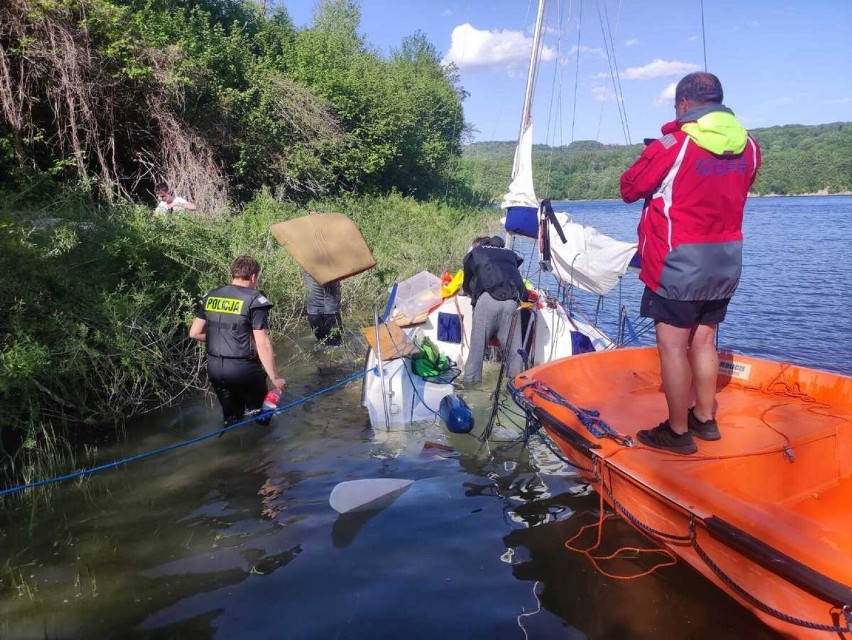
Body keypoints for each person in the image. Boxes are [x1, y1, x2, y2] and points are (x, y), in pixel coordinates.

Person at [620, 72, 761, 454]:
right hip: (726, 259)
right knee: (705, 339)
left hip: (678, 260)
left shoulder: (673, 145)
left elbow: (629, 188)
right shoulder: (750, 146)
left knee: (672, 345)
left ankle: (678, 432)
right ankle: (705, 419)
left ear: (684, 105)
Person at [189, 255, 286, 425]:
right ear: (254, 276)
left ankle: (232, 446)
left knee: (233, 419)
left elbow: (194, 333)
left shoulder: (212, 296)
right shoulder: (255, 300)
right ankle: (265, 449)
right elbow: (262, 343)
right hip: (244, 370)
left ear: (233, 274)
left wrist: (227, 340)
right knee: (261, 419)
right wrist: (275, 378)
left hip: (215, 369)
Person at [461, 235, 527, 384]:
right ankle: (517, 388)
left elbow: (467, 284)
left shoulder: (477, 253)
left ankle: (470, 388)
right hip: (512, 303)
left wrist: (471, 295)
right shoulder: (509, 254)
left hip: (487, 303)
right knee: (515, 355)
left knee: (476, 353)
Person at [302, 269, 343, 346]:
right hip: (329, 313)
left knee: (323, 345)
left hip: (313, 313)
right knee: (336, 346)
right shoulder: (331, 266)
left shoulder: (305, 263)